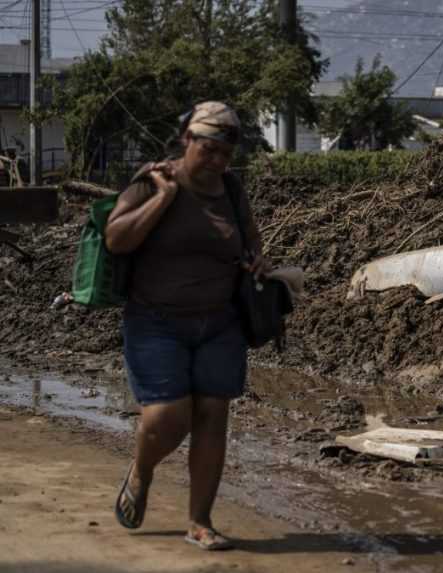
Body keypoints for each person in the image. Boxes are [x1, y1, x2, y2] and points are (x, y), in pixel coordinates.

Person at [104, 101, 267, 550]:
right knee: (168, 417)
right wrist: (163, 198)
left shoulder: (231, 190)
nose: (216, 160)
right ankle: (142, 469)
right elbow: (116, 239)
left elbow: (249, 238)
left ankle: (199, 521)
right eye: (207, 149)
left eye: (224, 153)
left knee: (213, 416)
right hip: (156, 321)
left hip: (220, 322)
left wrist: (256, 261)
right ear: (187, 140)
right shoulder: (154, 178)